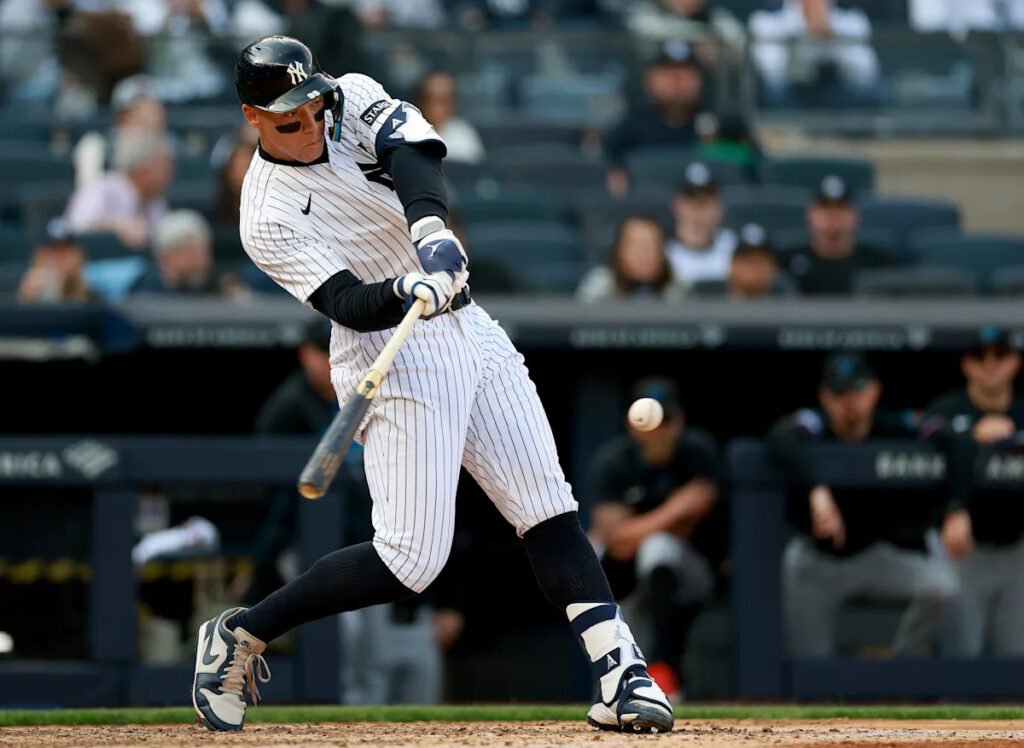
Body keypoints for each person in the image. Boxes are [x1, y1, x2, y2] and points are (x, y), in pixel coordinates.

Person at [190, 35, 673, 733]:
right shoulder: (263, 214)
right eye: (291, 118)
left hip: (466, 324)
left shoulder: (350, 96)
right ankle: (242, 632)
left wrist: (431, 233)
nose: (313, 121)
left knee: (547, 507)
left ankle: (621, 673)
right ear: (252, 117)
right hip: (387, 350)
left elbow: (412, 151)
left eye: (314, 105)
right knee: (411, 560)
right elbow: (343, 302)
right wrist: (400, 287)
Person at [766, 352, 958, 657]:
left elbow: (952, 436)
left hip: (878, 553)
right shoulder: (815, 425)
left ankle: (898, 666)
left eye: (857, 390)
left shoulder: (893, 424)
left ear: (874, 390)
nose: (849, 401)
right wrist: (818, 490)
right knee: (809, 660)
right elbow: (779, 437)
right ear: (824, 396)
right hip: (819, 561)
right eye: (839, 392)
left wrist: (957, 509)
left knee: (941, 587)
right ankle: (814, 681)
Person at [587, 378, 722, 702]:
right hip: (628, 581)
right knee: (594, 552)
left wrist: (638, 528)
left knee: (656, 548)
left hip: (689, 575)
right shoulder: (615, 462)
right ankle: (616, 687)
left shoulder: (698, 454)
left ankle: (664, 669)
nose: (658, 431)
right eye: (648, 422)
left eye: (666, 421)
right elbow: (616, 539)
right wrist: (676, 507)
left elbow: (684, 531)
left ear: (679, 422)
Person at [920, 327, 1024, 656]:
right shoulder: (947, 408)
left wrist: (1013, 439)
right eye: (980, 357)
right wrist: (970, 436)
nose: (990, 365)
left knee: (1015, 661)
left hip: (1016, 551)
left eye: (1000, 356)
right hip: (962, 552)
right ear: (967, 364)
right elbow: (928, 429)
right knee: (962, 656)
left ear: (1015, 362)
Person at [604, 40, 706, 196]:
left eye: (685, 72)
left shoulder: (722, 127)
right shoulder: (628, 130)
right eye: (668, 73)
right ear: (650, 79)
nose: (677, 80)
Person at [749, 0, 883, 109]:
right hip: (791, 100)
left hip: (838, 99)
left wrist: (830, 35)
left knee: (874, 96)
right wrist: (805, 28)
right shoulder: (766, 20)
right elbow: (773, 77)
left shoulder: (853, 19)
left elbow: (867, 76)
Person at [780, 175, 892, 296]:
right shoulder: (786, 263)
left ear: (856, 215)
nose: (833, 214)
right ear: (810, 215)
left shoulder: (878, 264)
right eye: (825, 206)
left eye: (841, 206)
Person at [64, 129, 174, 250]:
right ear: (143, 168)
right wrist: (115, 225)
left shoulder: (156, 200)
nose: (169, 174)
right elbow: (75, 225)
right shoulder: (102, 187)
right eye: (163, 167)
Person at [71, 74, 168, 188]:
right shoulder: (95, 146)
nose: (150, 117)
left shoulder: (167, 147)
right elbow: (88, 192)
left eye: (152, 109)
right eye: (138, 110)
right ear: (122, 116)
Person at [576, 215, 687, 303]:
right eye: (637, 245)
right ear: (620, 251)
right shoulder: (599, 287)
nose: (644, 254)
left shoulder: (678, 290)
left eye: (652, 246)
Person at [130, 209, 242, 296]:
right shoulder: (146, 293)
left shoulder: (220, 287)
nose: (198, 259)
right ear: (164, 257)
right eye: (188, 250)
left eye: (202, 250)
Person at [665, 163, 737, 285]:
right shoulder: (662, 252)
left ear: (720, 208)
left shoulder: (734, 248)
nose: (697, 210)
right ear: (676, 206)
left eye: (705, 202)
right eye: (691, 201)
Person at [16, 218, 98, 303]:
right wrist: (27, 296)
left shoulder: (94, 282)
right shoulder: (28, 285)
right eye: (53, 251)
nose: (59, 258)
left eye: (64, 251)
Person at [413, 71, 485, 165]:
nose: (436, 108)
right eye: (429, 99)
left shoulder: (464, 136)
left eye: (443, 101)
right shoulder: (404, 134)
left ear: (453, 104)